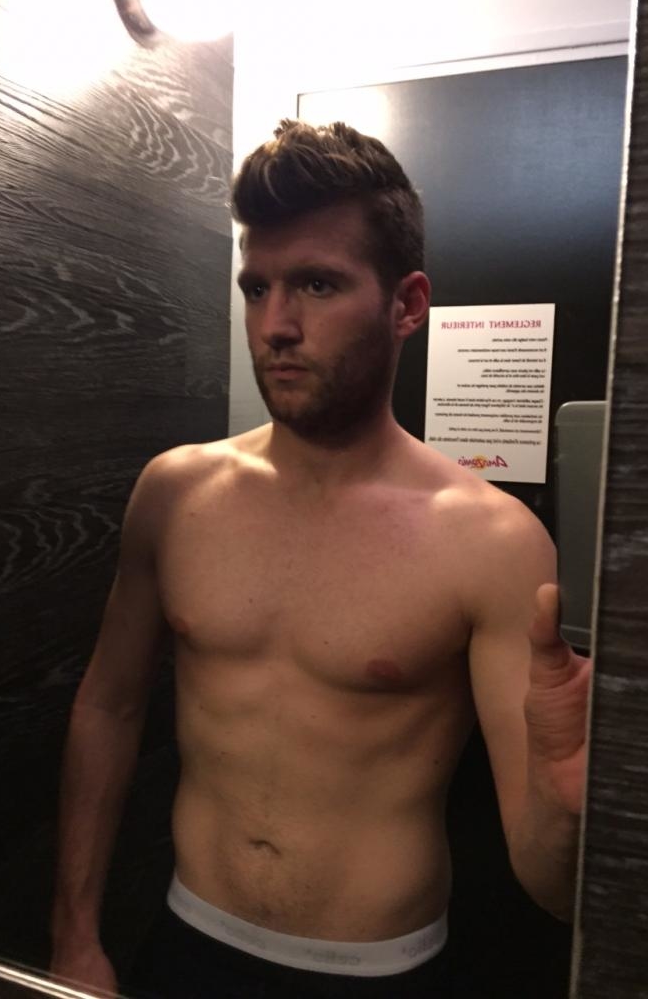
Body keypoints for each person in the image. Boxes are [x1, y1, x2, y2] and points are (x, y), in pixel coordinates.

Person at [49, 120, 591, 999]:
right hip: (188, 942)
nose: (275, 325)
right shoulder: (176, 493)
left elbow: (550, 884)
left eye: (316, 284)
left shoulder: (492, 541)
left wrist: (569, 809)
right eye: (256, 287)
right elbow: (107, 708)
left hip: (377, 972)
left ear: (407, 304)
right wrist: (73, 935)